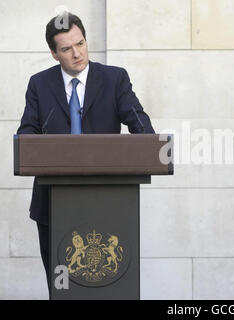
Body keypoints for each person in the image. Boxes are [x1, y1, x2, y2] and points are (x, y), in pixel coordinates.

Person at [16, 12, 154, 293]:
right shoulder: (40, 84)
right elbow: (27, 135)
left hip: (109, 200)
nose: (77, 54)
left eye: (80, 44)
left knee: (109, 286)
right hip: (53, 202)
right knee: (64, 288)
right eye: (66, 49)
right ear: (54, 53)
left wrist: (145, 146)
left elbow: (142, 129)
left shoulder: (115, 79)